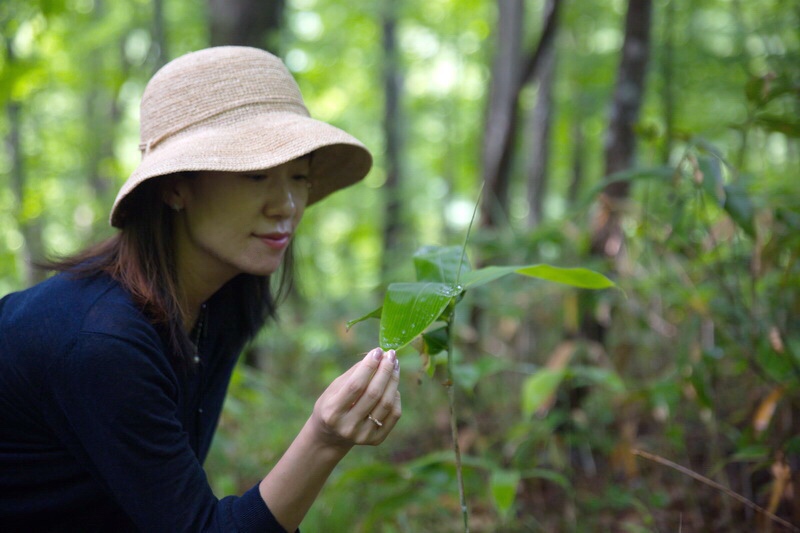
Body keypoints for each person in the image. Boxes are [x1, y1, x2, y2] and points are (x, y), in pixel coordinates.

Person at [0, 46, 401, 532]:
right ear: (174, 188)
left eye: (299, 176)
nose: (288, 205)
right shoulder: (102, 344)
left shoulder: (229, 301)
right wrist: (323, 439)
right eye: (257, 174)